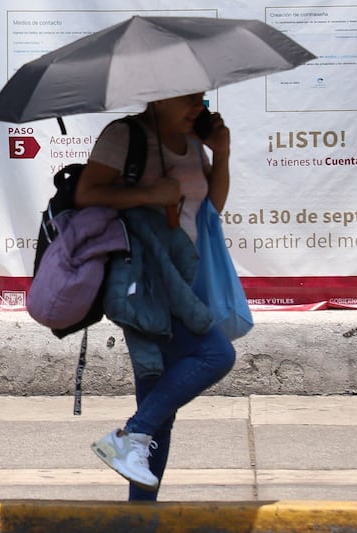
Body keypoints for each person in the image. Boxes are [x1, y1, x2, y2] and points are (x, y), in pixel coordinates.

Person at [75, 92, 236, 500]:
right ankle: (131, 434)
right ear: (160, 98)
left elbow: (209, 208)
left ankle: (139, 514)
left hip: (186, 275)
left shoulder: (192, 143)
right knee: (215, 355)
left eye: (201, 98)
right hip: (146, 279)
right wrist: (149, 195)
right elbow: (88, 194)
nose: (198, 107)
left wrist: (222, 155)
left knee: (159, 402)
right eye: (188, 99)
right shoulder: (124, 136)